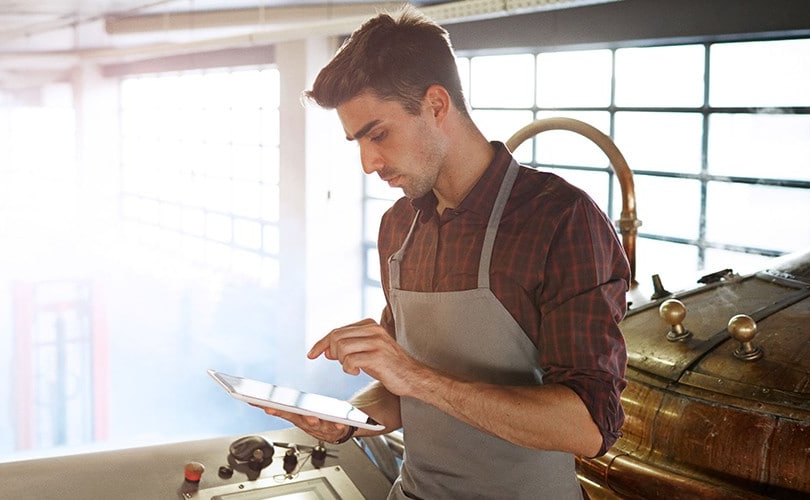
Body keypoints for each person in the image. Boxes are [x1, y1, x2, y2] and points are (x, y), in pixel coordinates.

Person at [260, 6, 629, 499]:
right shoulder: (399, 225)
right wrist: (349, 420)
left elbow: (588, 426)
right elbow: (400, 388)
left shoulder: (560, 219)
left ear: (435, 105)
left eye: (378, 134)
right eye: (358, 142)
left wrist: (414, 377)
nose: (369, 162)